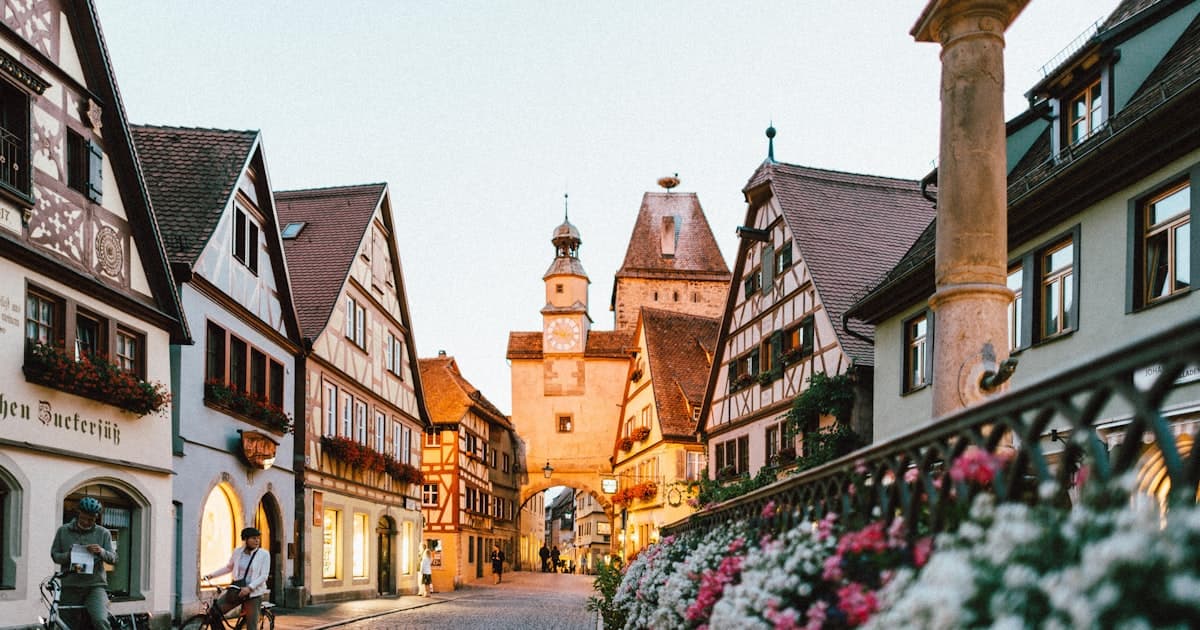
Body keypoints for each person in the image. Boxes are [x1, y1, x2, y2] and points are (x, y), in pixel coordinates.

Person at [50, 497, 117, 630]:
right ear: (78, 513)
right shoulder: (63, 531)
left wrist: (101, 551)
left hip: (94, 586)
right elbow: (55, 556)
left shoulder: (103, 533)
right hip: (70, 585)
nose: (87, 522)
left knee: (100, 620)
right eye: (84, 518)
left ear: (96, 517)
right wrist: (69, 555)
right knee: (67, 624)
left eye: (91, 520)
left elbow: (113, 558)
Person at [204, 527, 270, 630]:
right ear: (245, 539)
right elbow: (229, 567)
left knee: (251, 626)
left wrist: (249, 588)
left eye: (258, 538)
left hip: (253, 593)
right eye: (253, 538)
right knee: (214, 612)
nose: (257, 540)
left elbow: (264, 576)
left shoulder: (264, 554)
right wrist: (211, 575)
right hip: (237, 590)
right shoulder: (237, 552)